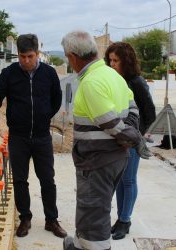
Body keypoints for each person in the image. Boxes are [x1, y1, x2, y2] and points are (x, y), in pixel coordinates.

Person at [61, 31, 152, 250]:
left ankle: (95, 246)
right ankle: (80, 245)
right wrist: (130, 133)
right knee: (93, 207)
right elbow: (133, 108)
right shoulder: (114, 76)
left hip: (96, 161)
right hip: (113, 159)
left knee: (94, 212)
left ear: (73, 56)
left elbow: (112, 124)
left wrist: (133, 138)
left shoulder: (92, 82)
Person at [0, 33, 67, 238]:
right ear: (18, 55)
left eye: (30, 56)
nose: (26, 61)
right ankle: (25, 218)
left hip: (42, 137)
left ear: (37, 54)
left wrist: (44, 116)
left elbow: (56, 99)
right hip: (18, 137)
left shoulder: (49, 73)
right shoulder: (9, 74)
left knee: (47, 179)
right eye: (22, 56)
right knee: (20, 180)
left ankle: (51, 220)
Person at [104, 42, 156, 240]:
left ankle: (125, 220)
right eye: (110, 60)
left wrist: (138, 135)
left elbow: (150, 113)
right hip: (118, 138)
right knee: (118, 181)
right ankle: (120, 219)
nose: (112, 64)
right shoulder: (113, 80)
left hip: (132, 139)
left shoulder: (136, 82)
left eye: (116, 60)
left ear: (126, 61)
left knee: (128, 180)